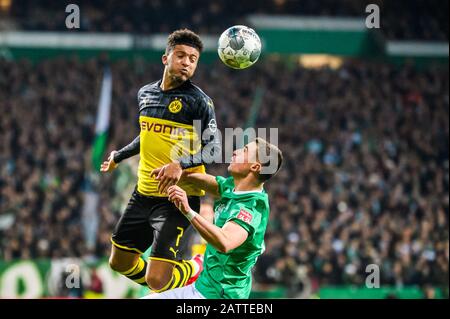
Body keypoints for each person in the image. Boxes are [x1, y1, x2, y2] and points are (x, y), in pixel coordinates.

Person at [100, 28, 220, 292]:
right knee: (118, 262)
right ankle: (167, 284)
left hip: (178, 197)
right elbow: (147, 136)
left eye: (193, 59)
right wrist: (118, 156)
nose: (187, 62)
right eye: (181, 56)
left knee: (156, 280)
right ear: (165, 59)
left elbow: (214, 149)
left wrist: (180, 164)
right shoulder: (145, 94)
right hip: (143, 193)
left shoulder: (200, 102)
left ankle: (198, 266)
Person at [142, 137, 283, 299]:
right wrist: (180, 172)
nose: (235, 151)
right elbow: (213, 184)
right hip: (204, 287)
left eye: (244, 151)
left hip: (219, 295)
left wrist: (187, 210)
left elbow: (225, 242)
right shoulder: (235, 187)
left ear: (255, 166)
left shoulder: (250, 209)